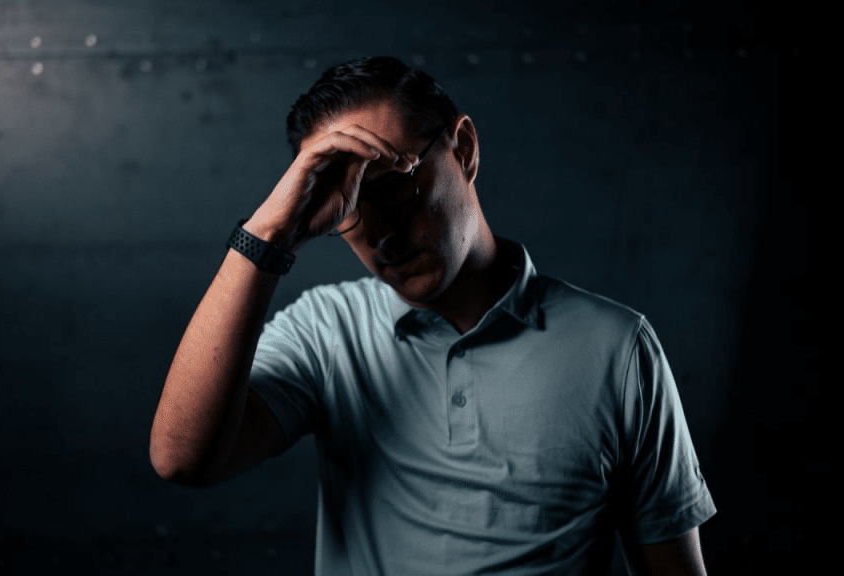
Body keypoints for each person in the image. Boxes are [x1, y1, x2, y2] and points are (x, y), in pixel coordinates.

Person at [150, 56, 715, 575]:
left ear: (463, 149)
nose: (382, 236)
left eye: (393, 187)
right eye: (350, 206)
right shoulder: (327, 331)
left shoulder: (617, 349)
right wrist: (268, 234)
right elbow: (181, 459)